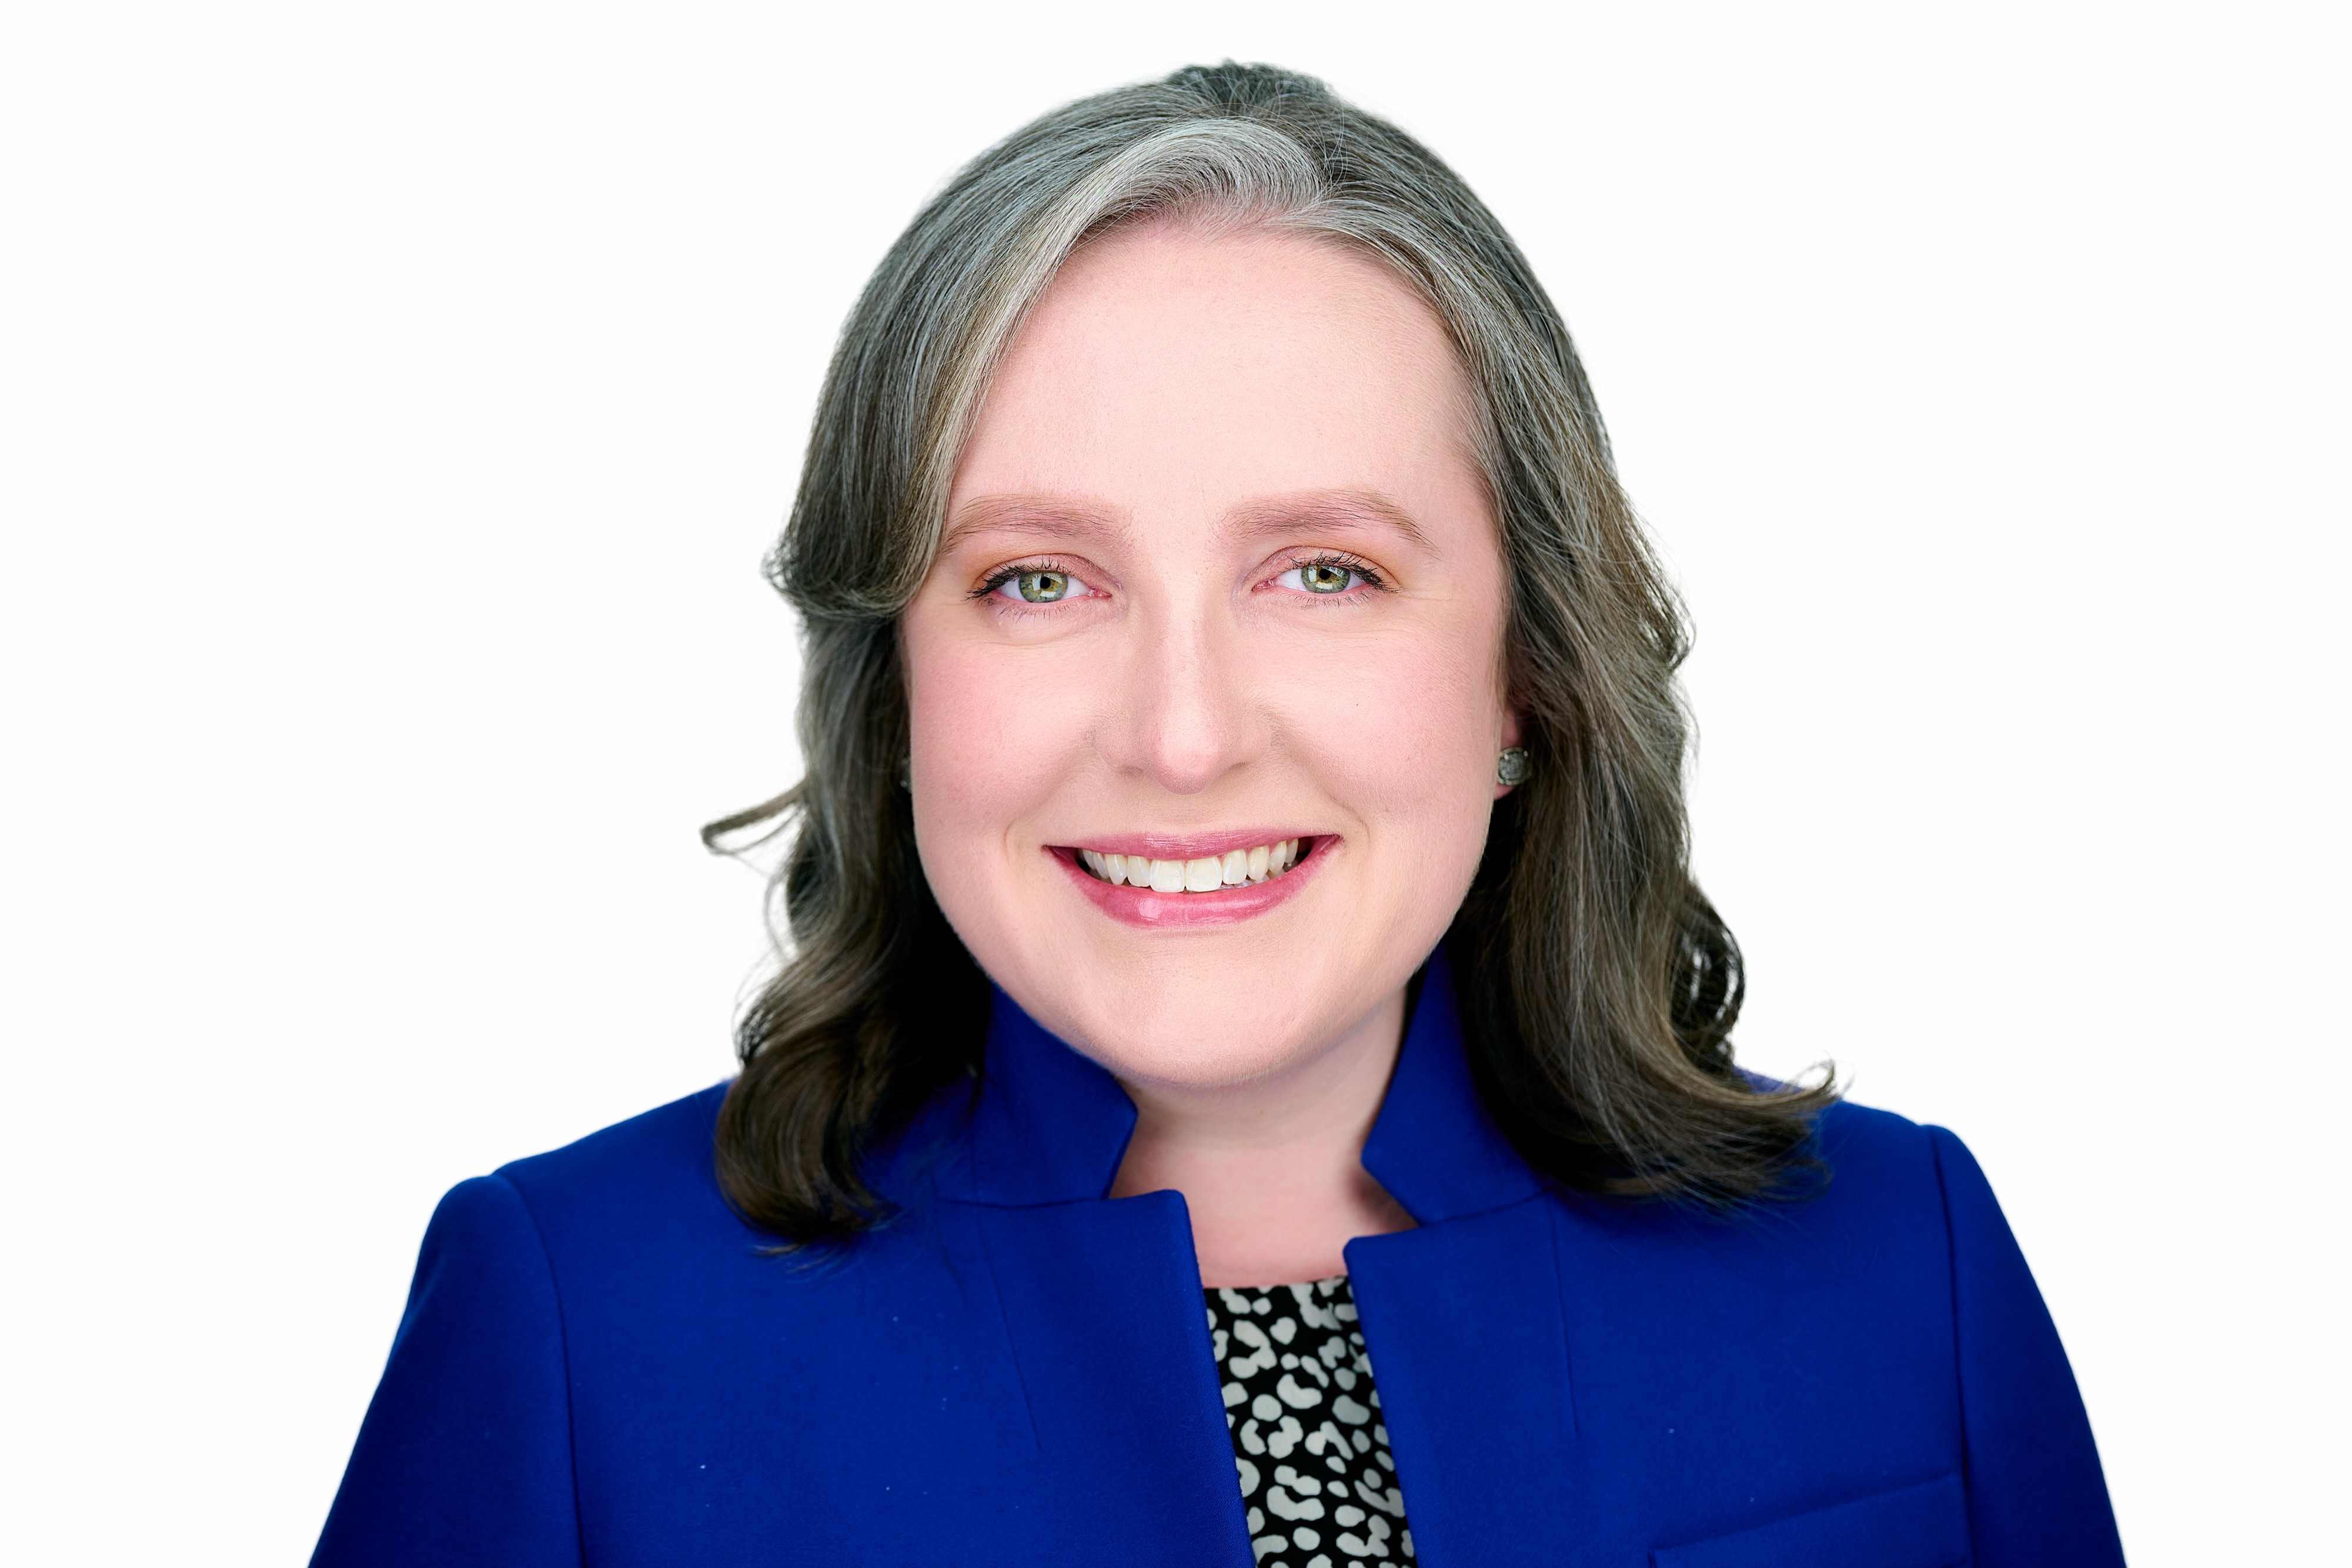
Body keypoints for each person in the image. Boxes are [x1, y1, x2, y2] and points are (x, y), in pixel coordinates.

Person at [312, 63, 2123, 1567]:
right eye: (1036, 582)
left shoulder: (1904, 1265)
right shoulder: (580, 1332)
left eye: (1324, 570)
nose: (1182, 738)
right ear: (901, 691)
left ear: (1522, 674)